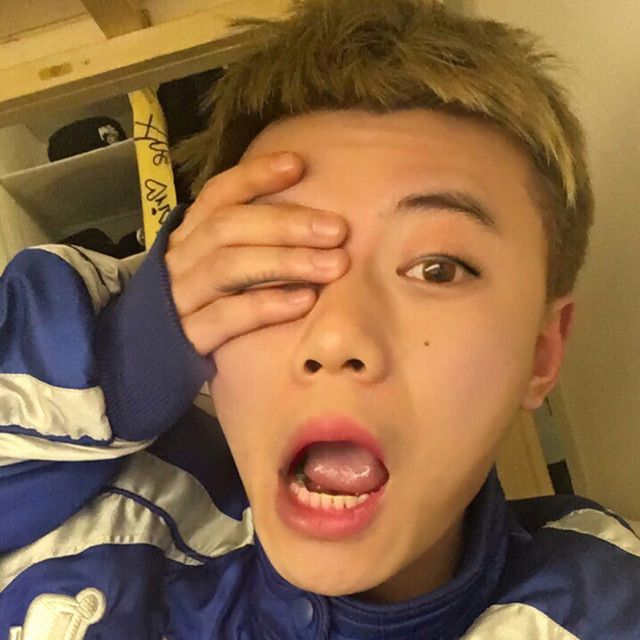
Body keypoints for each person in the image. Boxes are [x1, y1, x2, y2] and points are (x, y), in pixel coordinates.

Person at [1, 1, 638, 638]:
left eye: (438, 269)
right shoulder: (105, 526)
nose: (336, 336)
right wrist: (123, 366)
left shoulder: (599, 606)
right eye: (274, 262)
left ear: (541, 355)